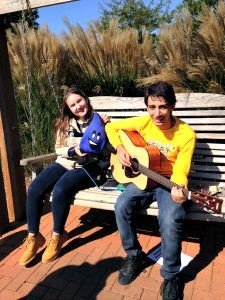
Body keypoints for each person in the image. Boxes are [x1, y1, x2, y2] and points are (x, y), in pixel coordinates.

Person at [105, 81, 196, 300]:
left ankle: (172, 275)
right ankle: (134, 255)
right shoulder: (143, 122)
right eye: (152, 107)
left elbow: (182, 168)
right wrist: (120, 148)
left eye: (162, 107)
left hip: (168, 183)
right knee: (121, 206)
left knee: (171, 219)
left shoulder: (186, 134)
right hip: (144, 178)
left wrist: (178, 186)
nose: (157, 113)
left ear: (172, 106)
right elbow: (111, 127)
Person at [19, 86, 110, 266]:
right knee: (35, 188)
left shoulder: (100, 120)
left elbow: (105, 148)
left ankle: (58, 235)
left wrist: (104, 129)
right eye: (72, 105)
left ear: (86, 99)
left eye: (79, 101)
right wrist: (72, 149)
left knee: (61, 189)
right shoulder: (65, 123)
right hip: (65, 161)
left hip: (89, 167)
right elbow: (58, 148)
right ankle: (33, 236)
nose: (78, 107)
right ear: (68, 108)